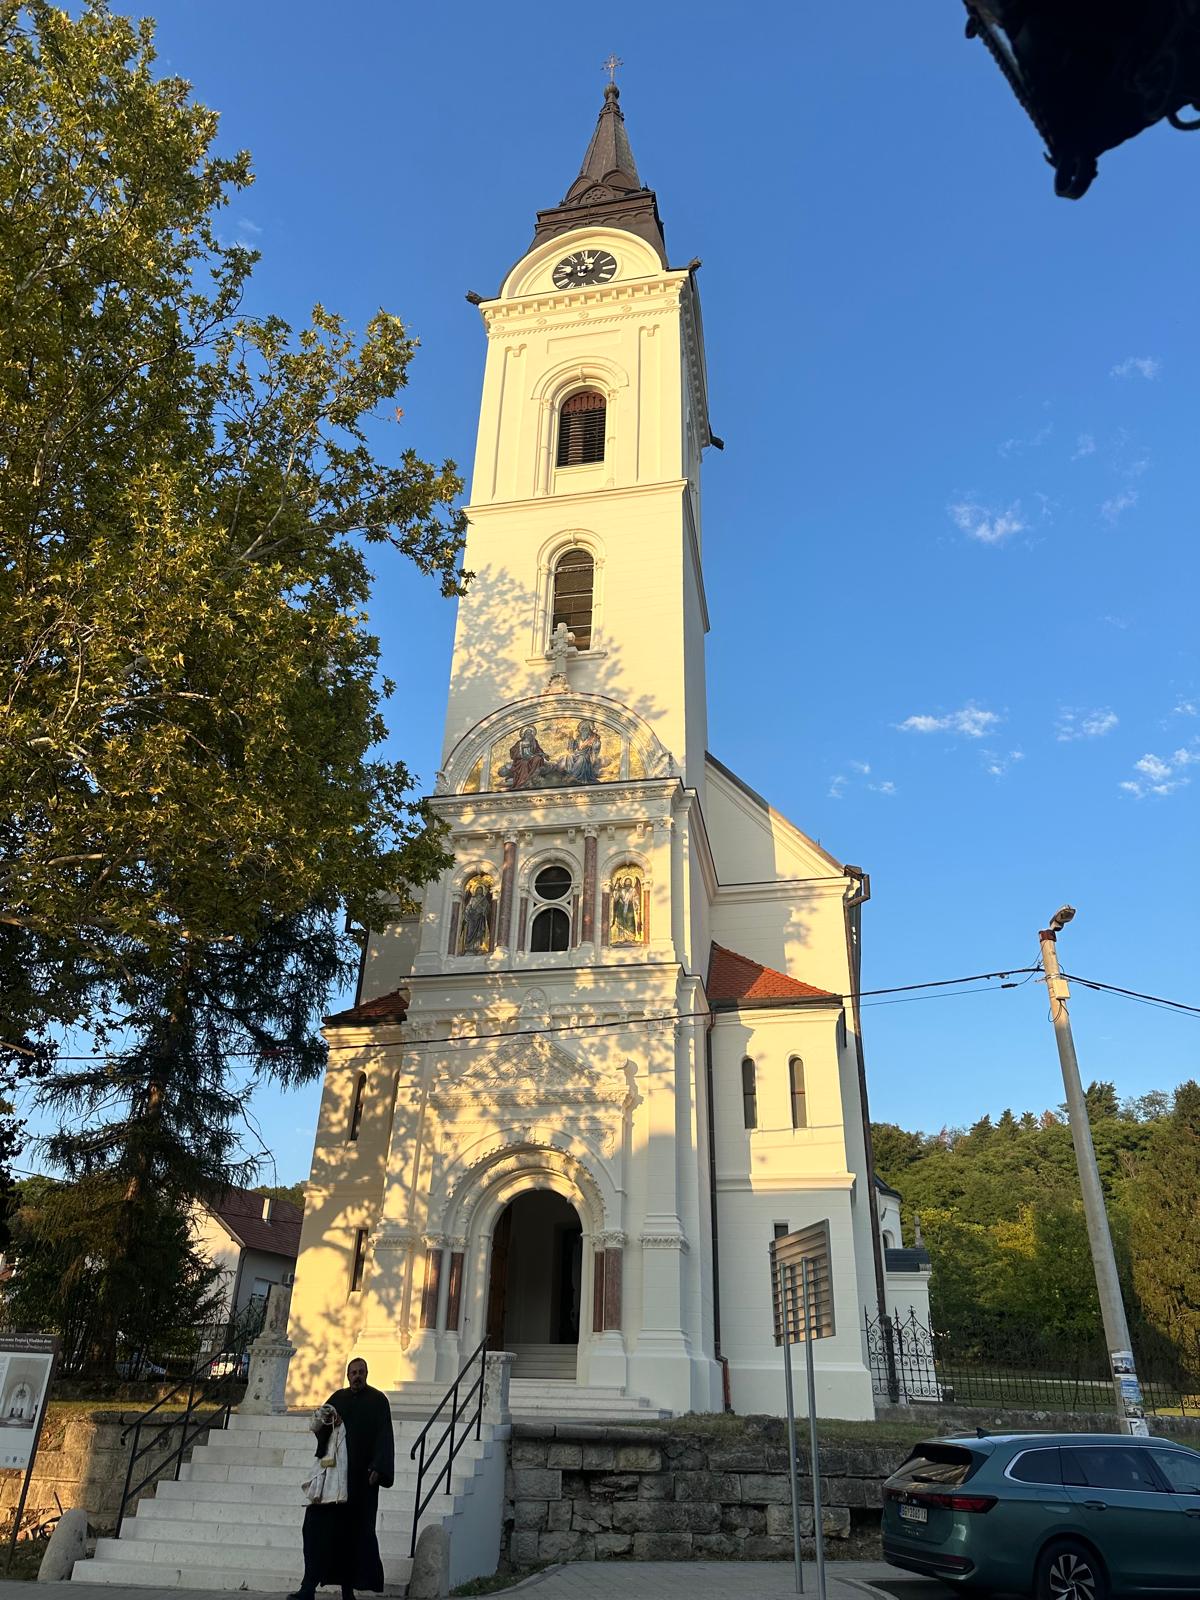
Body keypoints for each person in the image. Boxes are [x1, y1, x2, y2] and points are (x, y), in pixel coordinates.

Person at [289, 1357, 395, 1600]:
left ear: (367, 1374)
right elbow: (322, 1427)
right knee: (315, 1530)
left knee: (353, 1536)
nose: (357, 1376)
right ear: (348, 1376)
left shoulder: (378, 1401)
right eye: (353, 1372)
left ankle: (348, 1591)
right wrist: (329, 1421)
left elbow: (384, 1435)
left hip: (361, 1484)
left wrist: (379, 1466)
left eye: (361, 1372)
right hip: (332, 1483)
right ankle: (308, 1587)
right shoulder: (338, 1398)